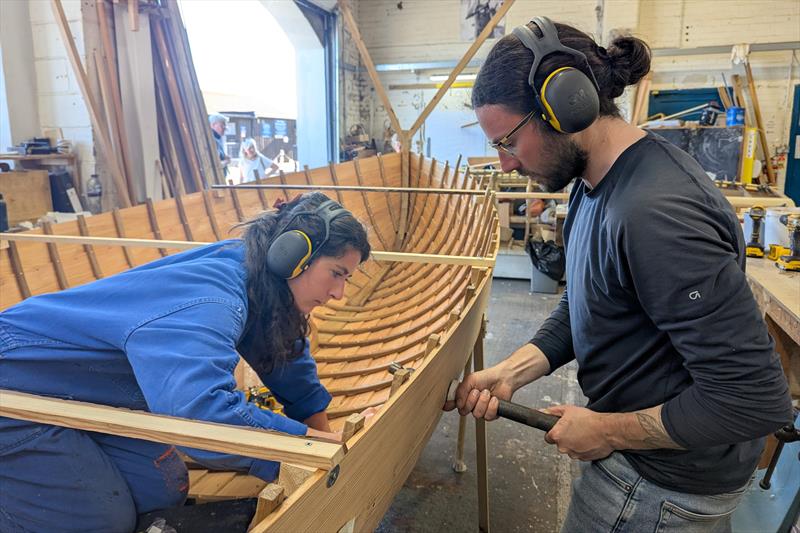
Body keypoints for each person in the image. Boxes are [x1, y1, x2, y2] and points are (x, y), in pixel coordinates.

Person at [444, 16, 792, 532]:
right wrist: (514, 370)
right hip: (647, 471)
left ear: (565, 107)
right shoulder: (593, 181)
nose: (506, 164)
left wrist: (608, 431)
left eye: (509, 141)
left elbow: (751, 400)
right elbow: (587, 301)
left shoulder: (655, 214)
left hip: (657, 489)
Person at [0, 192, 371, 532]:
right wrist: (310, 447)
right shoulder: (213, 301)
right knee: (103, 522)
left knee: (161, 491)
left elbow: (283, 354)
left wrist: (325, 438)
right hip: (15, 395)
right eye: (336, 274)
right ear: (292, 256)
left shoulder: (257, 275)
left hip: (78, 394)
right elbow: (201, 415)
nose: (338, 293)